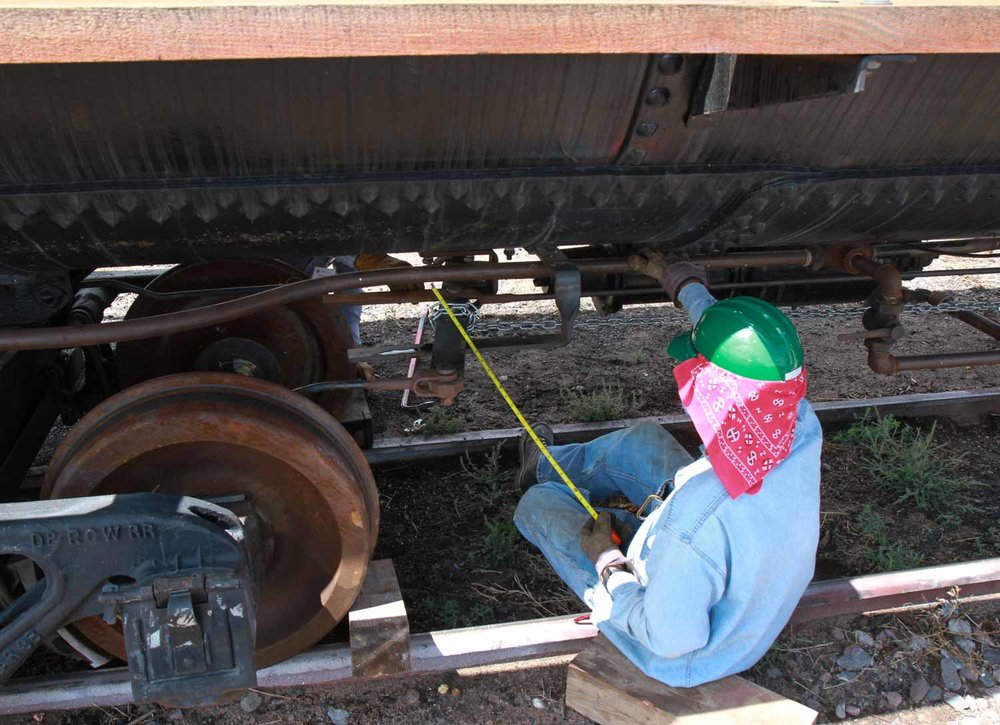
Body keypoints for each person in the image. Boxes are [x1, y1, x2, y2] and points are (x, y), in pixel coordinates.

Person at [513, 256, 822, 688]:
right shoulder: (796, 419)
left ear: (716, 388)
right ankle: (543, 462)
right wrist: (683, 283)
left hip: (684, 646)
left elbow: (672, 637)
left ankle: (548, 490)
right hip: (728, 563)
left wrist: (609, 564)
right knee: (642, 440)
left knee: (539, 505)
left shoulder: (693, 525)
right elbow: (740, 340)